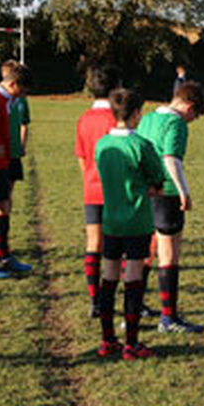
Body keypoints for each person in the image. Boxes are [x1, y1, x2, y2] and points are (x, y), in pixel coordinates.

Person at [94, 88, 167, 360]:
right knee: (133, 278)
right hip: (137, 220)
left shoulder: (103, 145)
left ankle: (107, 340)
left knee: (109, 277)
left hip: (111, 220)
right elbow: (158, 181)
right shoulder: (141, 146)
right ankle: (131, 344)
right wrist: (148, 187)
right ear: (137, 114)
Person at [137, 81, 204, 333]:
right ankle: (168, 318)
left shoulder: (146, 118)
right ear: (188, 105)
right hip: (165, 192)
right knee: (169, 255)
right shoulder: (176, 123)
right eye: (195, 115)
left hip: (143, 192)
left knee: (144, 252)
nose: (192, 120)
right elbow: (170, 158)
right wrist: (183, 191)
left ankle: (134, 307)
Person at [74, 64, 120, 313]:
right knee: (120, 248)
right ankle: (119, 299)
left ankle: (94, 301)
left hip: (91, 188)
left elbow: (81, 157)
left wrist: (90, 180)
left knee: (94, 243)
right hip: (118, 192)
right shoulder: (117, 118)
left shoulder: (84, 119)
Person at [0, 61, 33, 279]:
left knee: (4, 205)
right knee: (1, 206)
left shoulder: (8, 100)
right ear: (13, 84)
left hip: (5, 161)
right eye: (22, 90)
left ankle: (4, 255)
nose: (24, 95)